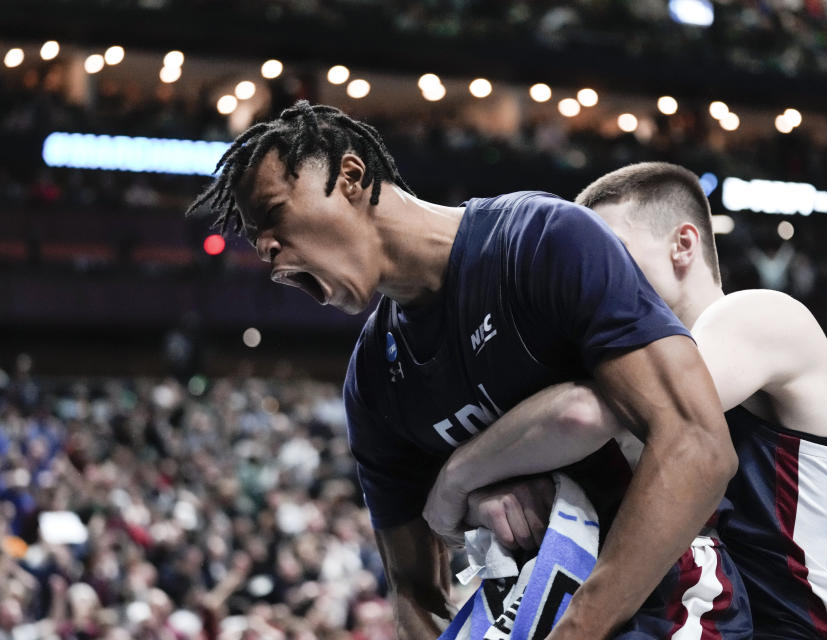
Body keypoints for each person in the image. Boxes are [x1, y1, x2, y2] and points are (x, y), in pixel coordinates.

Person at [186, 102, 740, 639]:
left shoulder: (541, 241)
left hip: (666, 600)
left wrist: (576, 627)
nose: (265, 248)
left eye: (274, 213)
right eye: (257, 238)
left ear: (349, 176)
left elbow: (698, 444)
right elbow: (414, 592)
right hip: (531, 614)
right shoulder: (373, 383)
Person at [424, 162, 827, 639]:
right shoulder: (616, 366)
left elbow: (592, 417)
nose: (593, 276)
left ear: (683, 245)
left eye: (612, 253)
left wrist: (455, 477)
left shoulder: (759, 315)